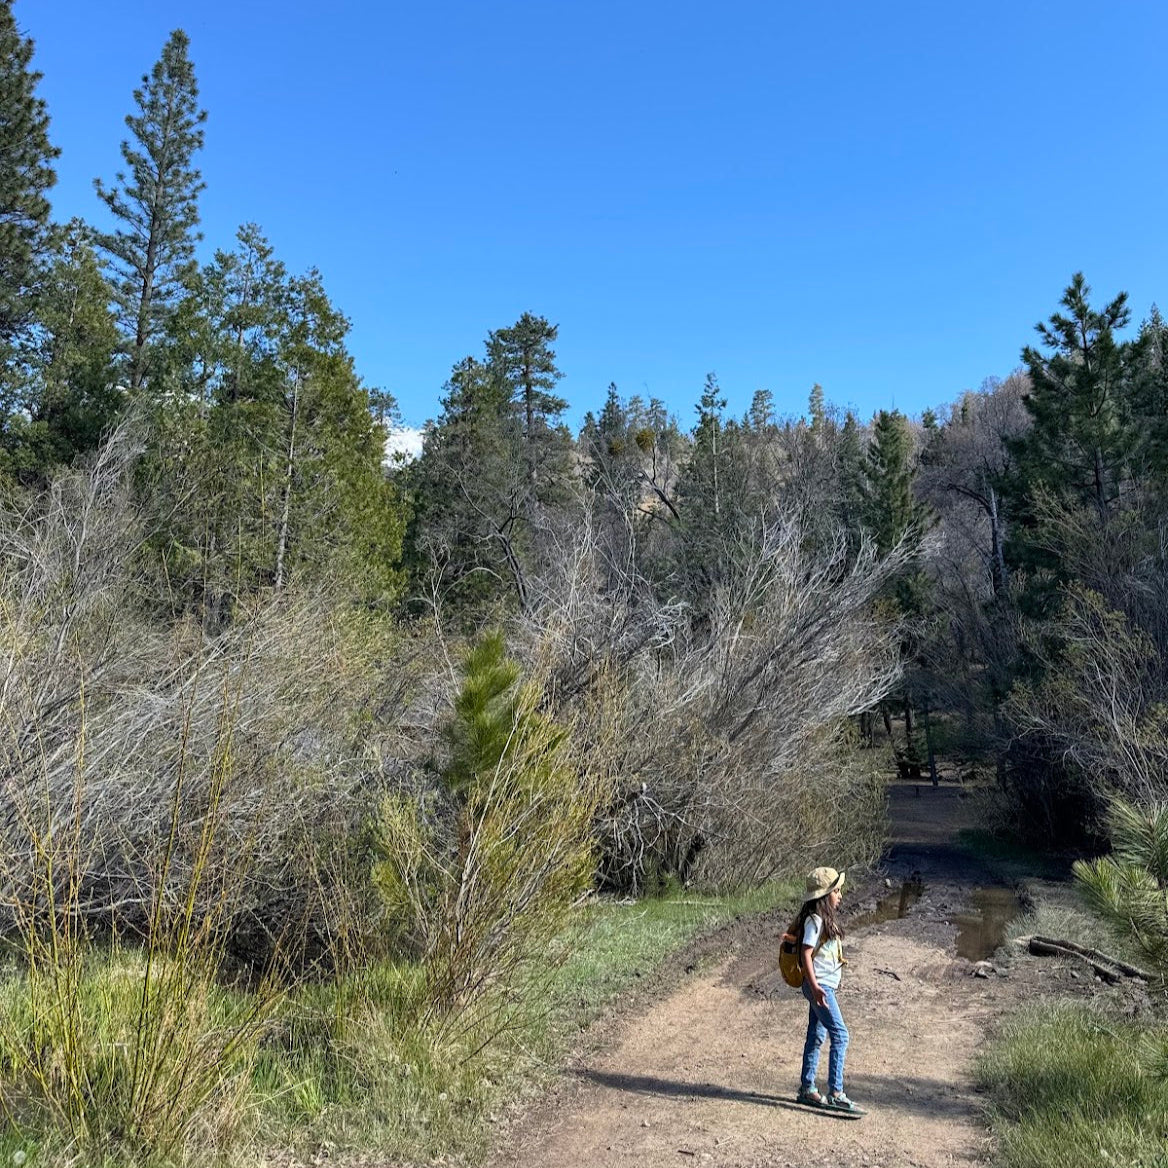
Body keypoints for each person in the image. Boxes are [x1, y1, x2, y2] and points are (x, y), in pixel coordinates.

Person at [794, 865, 863, 1114]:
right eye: (837, 891)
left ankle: (808, 1088)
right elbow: (805, 953)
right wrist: (815, 987)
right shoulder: (815, 920)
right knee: (841, 1035)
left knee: (816, 1036)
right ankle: (836, 1093)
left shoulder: (822, 919)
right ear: (825, 895)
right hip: (820, 987)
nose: (840, 895)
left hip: (821, 987)